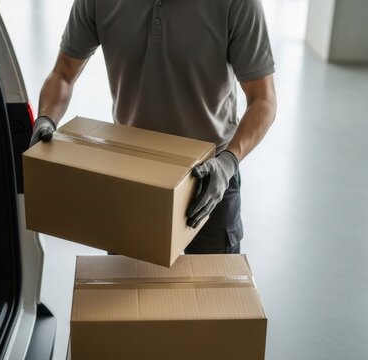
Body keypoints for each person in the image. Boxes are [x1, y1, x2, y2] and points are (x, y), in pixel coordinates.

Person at [30, 0, 277, 254]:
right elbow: (63, 73)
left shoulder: (238, 3)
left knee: (213, 291)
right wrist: (47, 118)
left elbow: (263, 100)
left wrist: (228, 162)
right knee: (127, 290)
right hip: (134, 176)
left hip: (212, 177)